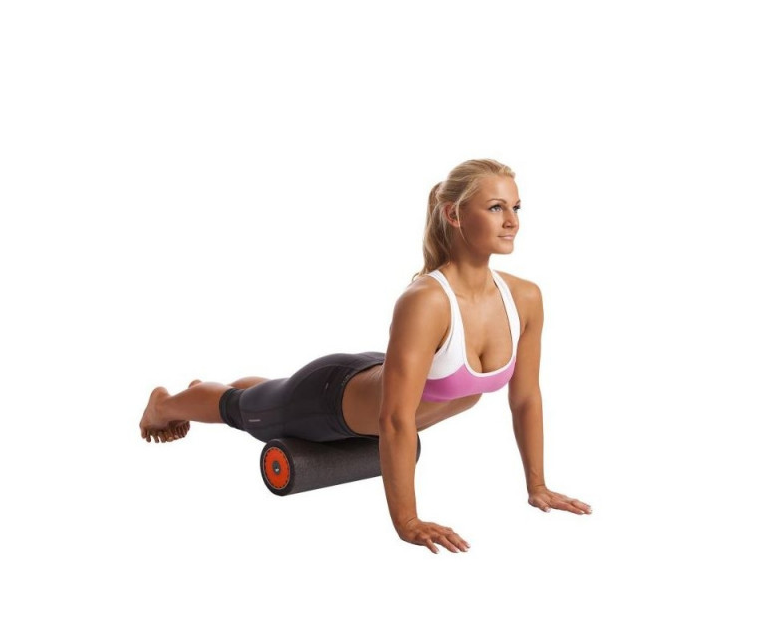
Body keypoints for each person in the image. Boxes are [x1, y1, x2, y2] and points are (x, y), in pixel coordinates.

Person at [139, 158, 592, 553]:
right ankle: (167, 404)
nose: (511, 221)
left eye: (516, 207)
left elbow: (526, 398)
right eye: (495, 208)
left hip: (374, 378)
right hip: (330, 400)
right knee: (243, 411)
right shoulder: (427, 301)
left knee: (269, 396)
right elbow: (395, 420)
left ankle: (247, 391)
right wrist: (407, 521)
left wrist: (538, 486)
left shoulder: (524, 298)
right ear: (454, 214)